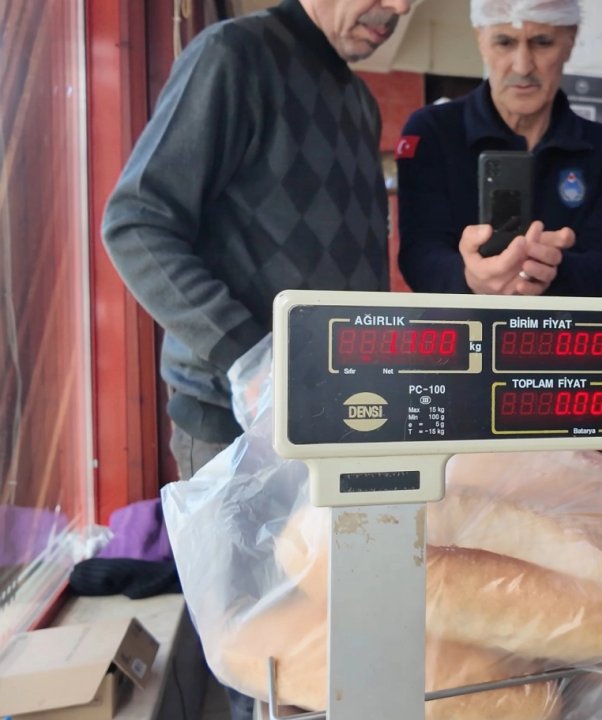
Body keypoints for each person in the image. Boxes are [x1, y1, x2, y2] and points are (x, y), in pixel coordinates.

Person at [101, 1, 413, 717]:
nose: (395, 6)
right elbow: (136, 222)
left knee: (331, 662)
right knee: (264, 672)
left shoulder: (357, 100)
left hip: (335, 429)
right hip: (233, 426)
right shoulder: (232, 56)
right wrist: (250, 360)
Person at [395, 0, 602, 298]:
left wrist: (551, 268)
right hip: (463, 335)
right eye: (504, 42)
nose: (522, 65)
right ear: (480, 39)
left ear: (571, 40)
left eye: (542, 42)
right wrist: (469, 277)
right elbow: (419, 256)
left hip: (563, 339)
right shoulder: (432, 132)